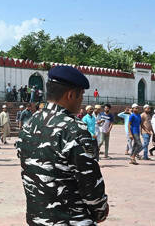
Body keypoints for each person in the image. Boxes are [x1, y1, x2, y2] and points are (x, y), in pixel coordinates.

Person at [16, 65, 108, 225]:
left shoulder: (30, 123)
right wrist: (101, 212)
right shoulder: (74, 129)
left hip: (38, 219)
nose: (81, 102)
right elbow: (90, 186)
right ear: (71, 95)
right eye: (81, 96)